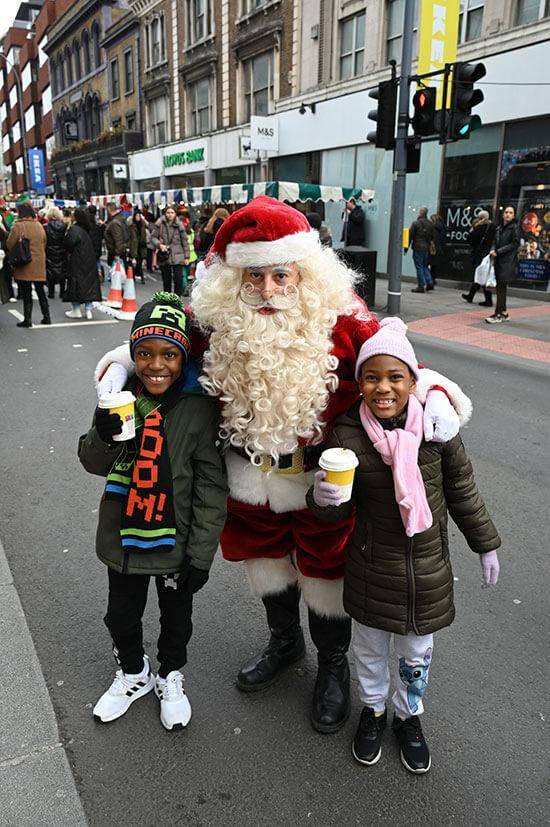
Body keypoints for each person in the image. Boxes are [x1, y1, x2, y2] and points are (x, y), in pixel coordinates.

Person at [93, 196, 470, 734]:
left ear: (304, 273)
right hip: (249, 478)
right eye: (252, 277)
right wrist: (123, 362)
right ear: (233, 282)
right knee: (267, 561)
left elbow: (398, 361)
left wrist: (431, 391)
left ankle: (332, 667)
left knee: (325, 568)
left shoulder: (341, 318)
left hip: (323, 479)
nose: (267, 291)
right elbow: (163, 343)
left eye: (280, 275)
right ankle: (285, 643)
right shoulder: (219, 323)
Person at [309, 317, 500, 774]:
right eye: (371, 376)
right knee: (370, 652)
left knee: (416, 656)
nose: (383, 388)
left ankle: (408, 717)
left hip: (427, 573)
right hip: (372, 568)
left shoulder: (438, 430)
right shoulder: (346, 434)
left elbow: (463, 492)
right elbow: (336, 512)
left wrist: (485, 543)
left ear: (414, 380)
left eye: (395, 376)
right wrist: (324, 498)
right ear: (359, 382)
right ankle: (373, 711)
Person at [79, 292, 228, 730]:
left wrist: (201, 555)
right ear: (133, 355)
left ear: (183, 358)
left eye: (168, 354)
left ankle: (169, 674)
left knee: (176, 618)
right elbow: (92, 462)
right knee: (120, 616)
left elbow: (210, 489)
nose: (156, 364)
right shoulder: (118, 398)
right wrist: (106, 435)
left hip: (174, 543)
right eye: (144, 353)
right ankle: (133, 673)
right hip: (123, 539)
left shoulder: (196, 411)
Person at [6, 203, 50, 327]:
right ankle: (47, 316)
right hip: (39, 263)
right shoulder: (39, 226)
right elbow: (44, 242)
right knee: (41, 292)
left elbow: (10, 244)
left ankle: (28, 319)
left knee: (26, 293)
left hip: (24, 264)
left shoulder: (18, 226)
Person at [63, 208, 102, 320]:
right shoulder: (89, 228)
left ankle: (76, 310)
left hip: (77, 260)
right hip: (90, 259)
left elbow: (69, 244)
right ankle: (88, 310)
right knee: (88, 283)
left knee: (75, 283)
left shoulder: (74, 229)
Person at [486, 205, 520, 325]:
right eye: (506, 212)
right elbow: (495, 242)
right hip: (499, 261)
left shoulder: (514, 228)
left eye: (511, 212)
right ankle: (504, 312)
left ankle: (498, 314)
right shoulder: (499, 228)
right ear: (503, 214)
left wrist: (498, 251)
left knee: (501, 289)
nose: (508, 214)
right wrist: (493, 249)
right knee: (501, 288)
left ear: (514, 215)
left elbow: (514, 244)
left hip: (507, 262)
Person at [151, 206, 190, 296]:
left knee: (178, 280)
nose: (170, 215)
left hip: (178, 255)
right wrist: (159, 245)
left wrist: (187, 256)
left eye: (172, 212)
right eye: (168, 212)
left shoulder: (179, 225)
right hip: (165, 255)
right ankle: (167, 300)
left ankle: (177, 299)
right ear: (165, 213)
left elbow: (185, 241)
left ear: (175, 214)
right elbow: (153, 237)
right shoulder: (160, 223)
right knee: (166, 281)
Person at [462, 211, 496, 307]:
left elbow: (470, 240)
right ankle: (471, 296)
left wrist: (472, 229)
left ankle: (487, 300)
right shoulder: (493, 227)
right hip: (489, 254)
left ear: (480, 218)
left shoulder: (479, 227)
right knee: (482, 275)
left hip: (480, 254)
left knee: (481, 275)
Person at [407, 208, 435, 293]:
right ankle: (429, 282)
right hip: (426, 248)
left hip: (418, 247)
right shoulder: (430, 224)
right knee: (425, 265)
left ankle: (421, 286)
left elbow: (410, 235)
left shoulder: (416, 223)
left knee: (419, 266)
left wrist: (406, 247)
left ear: (420, 213)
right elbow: (432, 237)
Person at [44, 206, 69, 299]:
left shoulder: (45, 227)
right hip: (61, 251)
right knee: (62, 272)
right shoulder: (64, 226)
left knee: (50, 272)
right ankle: (62, 292)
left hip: (49, 251)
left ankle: (51, 292)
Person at [104, 202, 129, 267]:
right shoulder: (120, 218)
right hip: (120, 251)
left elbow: (118, 239)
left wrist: (117, 254)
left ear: (109, 210)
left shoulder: (114, 223)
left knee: (117, 274)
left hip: (116, 253)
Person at [128, 207, 148, 284]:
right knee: (136, 261)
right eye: (136, 216)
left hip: (141, 245)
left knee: (140, 262)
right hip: (134, 246)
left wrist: (144, 219)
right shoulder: (131, 225)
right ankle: (137, 276)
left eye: (139, 216)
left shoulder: (142, 224)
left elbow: (149, 226)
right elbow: (129, 236)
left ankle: (137, 273)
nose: (138, 218)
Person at [87, 205, 105, 282]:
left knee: (88, 261)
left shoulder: (86, 222)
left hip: (89, 244)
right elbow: (103, 233)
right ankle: (99, 271)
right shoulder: (98, 223)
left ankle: (90, 274)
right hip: (97, 244)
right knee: (97, 260)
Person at [428, 213, 447, 285]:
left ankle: (430, 280)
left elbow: (433, 239)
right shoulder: (443, 227)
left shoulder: (434, 227)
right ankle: (433, 279)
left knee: (428, 264)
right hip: (440, 248)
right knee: (434, 266)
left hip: (434, 248)